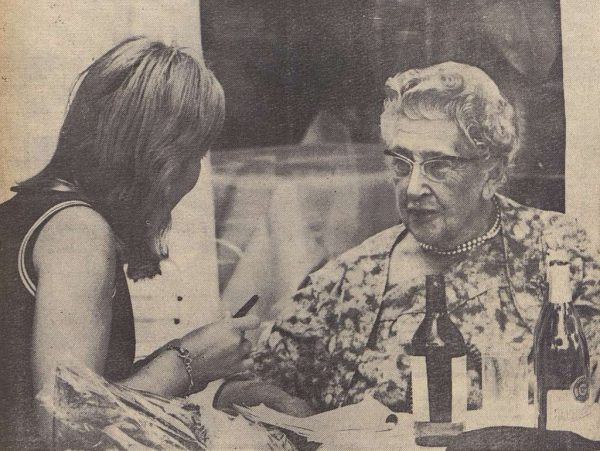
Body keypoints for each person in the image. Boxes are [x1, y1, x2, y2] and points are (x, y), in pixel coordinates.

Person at [214, 62, 600, 417]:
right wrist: (294, 413)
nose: (413, 188)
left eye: (439, 165)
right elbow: (236, 390)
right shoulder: (352, 280)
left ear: (493, 174)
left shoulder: (555, 251)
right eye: (401, 164)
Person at [0, 37, 259, 449]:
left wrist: (204, 376)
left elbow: (67, 393)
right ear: (157, 158)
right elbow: (65, 432)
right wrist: (187, 363)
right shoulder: (79, 234)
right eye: (195, 155)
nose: (192, 176)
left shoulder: (28, 214)